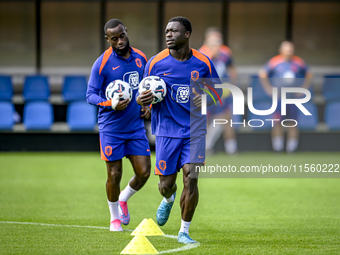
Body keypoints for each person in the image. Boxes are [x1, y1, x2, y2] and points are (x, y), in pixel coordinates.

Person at [137, 17, 222, 243]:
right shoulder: (156, 63)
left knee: (190, 179)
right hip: (166, 131)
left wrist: (206, 96)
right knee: (166, 185)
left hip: (195, 130)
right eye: (166, 31)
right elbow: (143, 94)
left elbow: (218, 93)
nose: (168, 34)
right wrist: (143, 103)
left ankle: (184, 231)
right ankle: (168, 198)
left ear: (187, 34)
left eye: (174, 31)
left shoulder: (203, 62)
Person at [86, 19, 151, 231]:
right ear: (108, 39)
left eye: (122, 36)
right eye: (114, 39)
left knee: (144, 173)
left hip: (135, 126)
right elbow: (90, 95)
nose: (120, 41)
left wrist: (148, 104)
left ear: (126, 31)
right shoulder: (102, 63)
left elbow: (147, 87)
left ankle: (123, 198)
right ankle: (114, 218)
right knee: (114, 174)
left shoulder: (141, 58)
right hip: (111, 128)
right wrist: (110, 103)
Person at [259, 41, 312, 153]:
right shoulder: (274, 61)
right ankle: (278, 148)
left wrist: (304, 88)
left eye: (291, 49)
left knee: (293, 122)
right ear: (281, 50)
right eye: (287, 49)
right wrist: (269, 88)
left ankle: (291, 149)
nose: (289, 51)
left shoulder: (298, 62)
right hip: (279, 97)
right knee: (277, 121)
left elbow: (309, 74)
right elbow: (262, 74)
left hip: (293, 97)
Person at [199, 27, 238, 155]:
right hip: (205, 93)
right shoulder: (201, 55)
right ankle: (204, 147)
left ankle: (230, 149)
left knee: (226, 118)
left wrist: (232, 85)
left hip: (220, 92)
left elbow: (232, 70)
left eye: (218, 42)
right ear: (207, 42)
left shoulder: (225, 54)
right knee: (203, 120)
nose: (217, 45)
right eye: (214, 42)